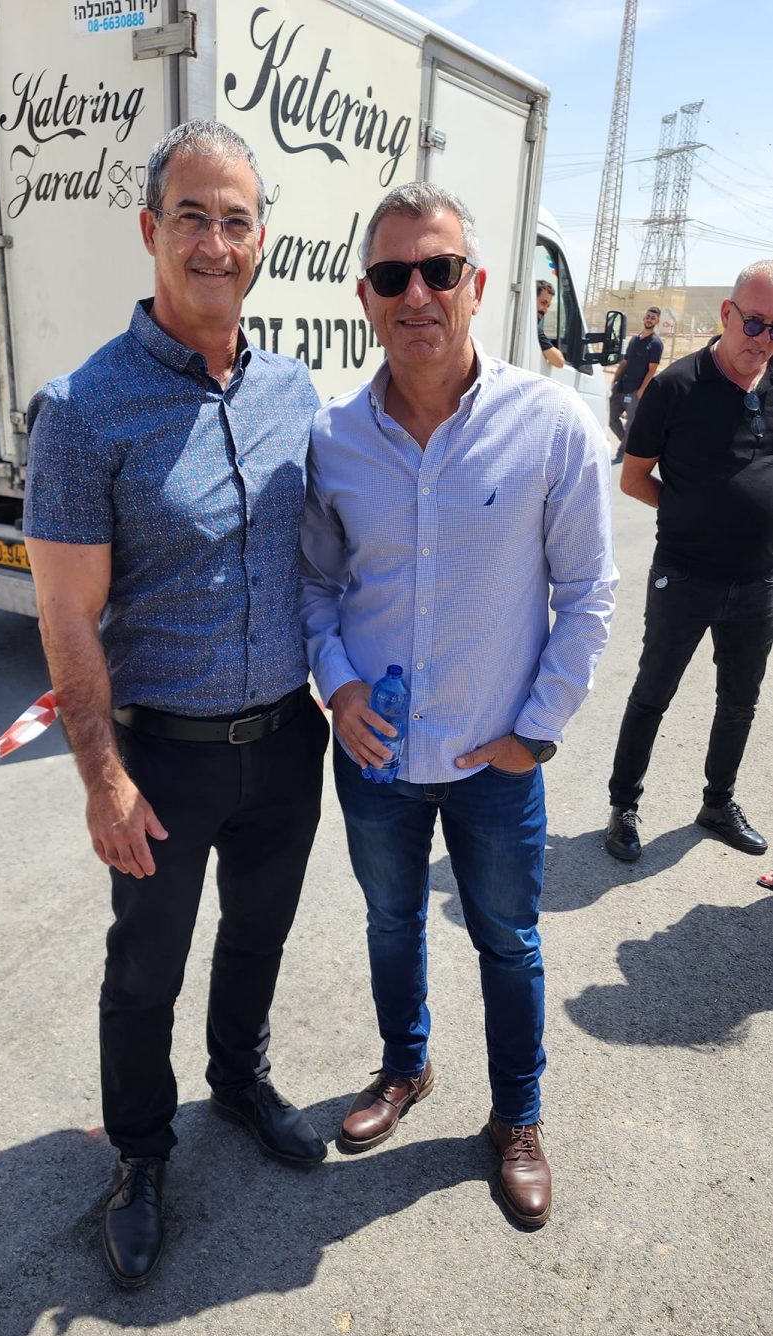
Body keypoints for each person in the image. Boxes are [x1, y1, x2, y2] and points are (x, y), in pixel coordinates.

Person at [23, 120, 330, 1289]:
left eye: (235, 220)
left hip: (286, 741)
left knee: (257, 936)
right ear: (152, 231)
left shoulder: (294, 392)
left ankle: (238, 1082)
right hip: (163, 758)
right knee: (144, 970)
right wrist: (102, 779)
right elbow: (67, 618)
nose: (213, 242)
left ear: (261, 242)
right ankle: (141, 1156)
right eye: (191, 217)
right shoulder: (84, 410)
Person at [300, 183, 616, 1228]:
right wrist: (338, 683)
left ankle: (516, 1118)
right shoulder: (335, 438)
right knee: (392, 922)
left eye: (438, 271)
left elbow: (589, 592)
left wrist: (536, 732)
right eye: (392, 275)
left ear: (476, 286)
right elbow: (316, 584)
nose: (416, 294)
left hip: (494, 764)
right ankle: (405, 1067)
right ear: (365, 296)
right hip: (377, 758)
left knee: (507, 942)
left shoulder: (549, 424)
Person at [605, 262, 773, 863]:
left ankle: (717, 802)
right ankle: (623, 806)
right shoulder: (675, 387)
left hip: (759, 582)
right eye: (754, 323)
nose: (763, 340)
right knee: (653, 694)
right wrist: (688, 512)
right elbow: (633, 479)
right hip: (684, 576)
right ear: (727, 315)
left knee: (739, 702)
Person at [609, 306, 663, 464]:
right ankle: (629, 445)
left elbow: (652, 370)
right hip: (621, 387)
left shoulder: (656, 343)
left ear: (657, 321)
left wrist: (641, 390)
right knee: (611, 419)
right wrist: (615, 379)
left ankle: (622, 453)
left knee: (631, 424)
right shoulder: (634, 340)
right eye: (648, 316)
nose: (649, 319)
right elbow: (624, 362)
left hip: (635, 391)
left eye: (653, 318)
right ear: (644, 318)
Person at [536, 279, 565, 368]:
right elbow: (559, 362)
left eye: (547, 306)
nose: (545, 310)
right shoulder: (534, 331)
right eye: (543, 303)